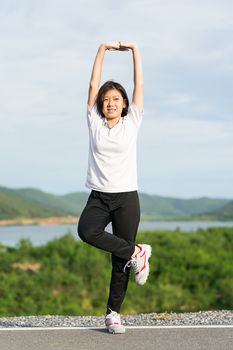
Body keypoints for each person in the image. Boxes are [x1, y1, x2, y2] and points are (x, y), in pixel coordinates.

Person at [77, 41, 152, 334]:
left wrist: (134, 49)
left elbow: (140, 82)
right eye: (106, 99)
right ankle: (138, 251)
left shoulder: (132, 122)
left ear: (124, 105)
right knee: (86, 231)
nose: (110, 102)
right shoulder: (94, 121)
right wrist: (102, 49)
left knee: (119, 259)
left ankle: (113, 314)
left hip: (126, 198)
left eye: (116, 99)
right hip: (99, 196)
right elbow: (93, 81)